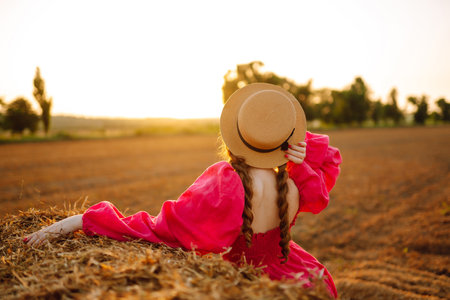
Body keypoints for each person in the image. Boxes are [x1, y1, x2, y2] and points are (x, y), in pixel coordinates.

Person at [24, 83, 341, 298]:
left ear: (236, 133)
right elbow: (325, 167)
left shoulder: (230, 180)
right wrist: (289, 148)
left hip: (251, 281)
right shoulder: (298, 179)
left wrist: (86, 220)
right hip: (299, 274)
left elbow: (166, 229)